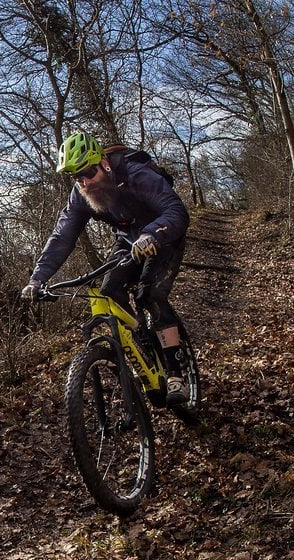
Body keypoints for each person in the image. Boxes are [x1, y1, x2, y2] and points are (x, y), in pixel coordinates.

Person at [25, 131, 191, 405]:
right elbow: (62, 235)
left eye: (89, 172)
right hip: (128, 241)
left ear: (103, 162)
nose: (85, 182)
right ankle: (144, 341)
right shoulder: (81, 194)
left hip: (163, 233)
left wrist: (151, 234)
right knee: (109, 291)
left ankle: (176, 373)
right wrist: (38, 278)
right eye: (77, 177)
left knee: (150, 294)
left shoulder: (135, 174)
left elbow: (175, 210)